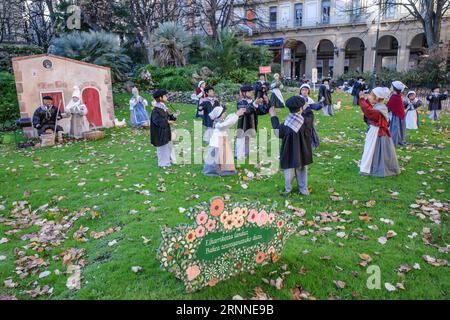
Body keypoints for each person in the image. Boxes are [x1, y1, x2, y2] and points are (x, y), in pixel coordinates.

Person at [270, 96, 313, 195]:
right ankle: (303, 189)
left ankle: (288, 189)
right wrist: (307, 108)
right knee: (302, 169)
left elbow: (277, 132)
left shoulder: (285, 124)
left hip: (288, 152)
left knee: (288, 172)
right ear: (301, 108)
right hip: (303, 152)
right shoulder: (306, 120)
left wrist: (273, 116)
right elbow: (310, 114)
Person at [359, 88, 400, 177]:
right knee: (371, 148)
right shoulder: (379, 106)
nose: (369, 96)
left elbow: (369, 112)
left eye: (371, 95)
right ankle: (372, 165)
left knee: (374, 148)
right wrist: (365, 100)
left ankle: (374, 167)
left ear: (377, 97)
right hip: (374, 131)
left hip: (377, 132)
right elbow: (370, 108)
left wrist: (362, 100)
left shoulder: (380, 109)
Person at [203, 106, 246, 176]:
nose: (225, 113)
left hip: (222, 141)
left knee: (224, 155)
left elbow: (228, 119)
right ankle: (214, 170)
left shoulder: (220, 121)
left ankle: (224, 168)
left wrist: (236, 113)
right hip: (217, 143)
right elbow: (228, 123)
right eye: (223, 112)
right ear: (219, 115)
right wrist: (236, 115)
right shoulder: (218, 124)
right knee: (216, 157)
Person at [235, 85, 268, 160]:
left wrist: (265, 101)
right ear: (244, 93)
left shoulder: (253, 102)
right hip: (242, 126)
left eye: (252, 92)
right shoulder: (240, 103)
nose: (252, 93)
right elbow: (246, 111)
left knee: (248, 141)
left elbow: (262, 111)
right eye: (249, 92)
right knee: (241, 140)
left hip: (252, 125)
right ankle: (238, 155)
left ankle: (246, 154)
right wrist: (255, 104)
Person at [150, 89, 180, 168]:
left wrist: (175, 115)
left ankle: (169, 160)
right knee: (162, 148)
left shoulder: (163, 107)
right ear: (160, 98)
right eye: (165, 96)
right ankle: (163, 163)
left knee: (168, 146)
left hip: (165, 131)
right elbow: (157, 121)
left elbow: (169, 117)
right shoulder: (156, 110)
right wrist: (168, 122)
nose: (166, 97)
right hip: (159, 133)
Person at [299, 84, 322, 149]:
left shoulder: (310, 99)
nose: (304, 91)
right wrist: (303, 108)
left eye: (306, 90)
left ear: (308, 91)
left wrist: (320, 103)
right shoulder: (298, 98)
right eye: (303, 90)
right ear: (300, 91)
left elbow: (315, 107)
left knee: (310, 130)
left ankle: (311, 144)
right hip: (300, 117)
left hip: (309, 117)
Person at [387, 81, 407, 146]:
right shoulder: (397, 96)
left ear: (394, 88)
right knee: (399, 128)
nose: (390, 87)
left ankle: (394, 140)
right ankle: (399, 139)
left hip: (396, 115)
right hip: (399, 114)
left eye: (391, 86)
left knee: (395, 128)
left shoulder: (394, 97)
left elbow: (389, 107)